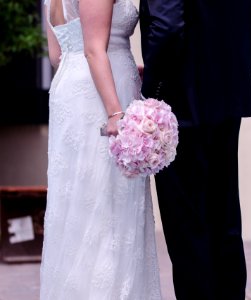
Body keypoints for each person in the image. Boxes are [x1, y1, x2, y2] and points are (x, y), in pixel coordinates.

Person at [140, 0, 251, 299]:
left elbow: (167, 26)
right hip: (227, 103)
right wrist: (233, 78)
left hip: (179, 106)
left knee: (187, 226)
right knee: (224, 219)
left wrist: (154, 92)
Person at [40, 0, 162, 299]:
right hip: (102, 97)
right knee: (105, 204)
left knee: (80, 202)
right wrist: (116, 113)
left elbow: (57, 55)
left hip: (74, 89)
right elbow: (95, 49)